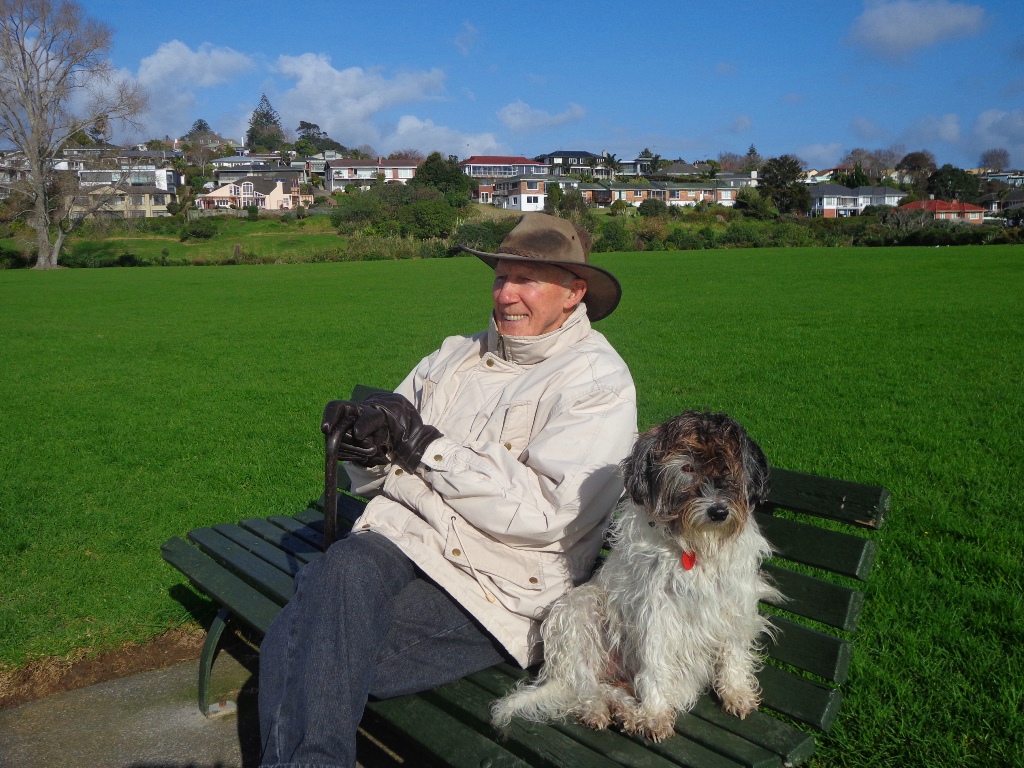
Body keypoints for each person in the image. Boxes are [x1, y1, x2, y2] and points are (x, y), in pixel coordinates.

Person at [258, 212, 638, 767]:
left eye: (527, 279)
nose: (507, 294)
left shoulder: (596, 381)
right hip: (402, 539)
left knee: (302, 645)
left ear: (573, 292)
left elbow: (548, 513)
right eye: (500, 277)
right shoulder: (453, 355)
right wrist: (362, 447)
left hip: (498, 583)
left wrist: (427, 448)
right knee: (339, 584)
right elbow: (387, 458)